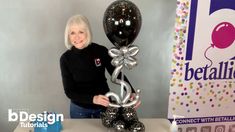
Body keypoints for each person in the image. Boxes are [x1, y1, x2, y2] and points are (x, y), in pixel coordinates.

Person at [60, 14, 136, 119]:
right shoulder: (65, 59)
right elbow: (69, 92)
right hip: (79, 110)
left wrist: (131, 91)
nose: (76, 37)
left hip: (104, 107)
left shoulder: (101, 51)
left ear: (87, 32)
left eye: (81, 32)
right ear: (68, 36)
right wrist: (93, 99)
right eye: (72, 33)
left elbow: (117, 74)